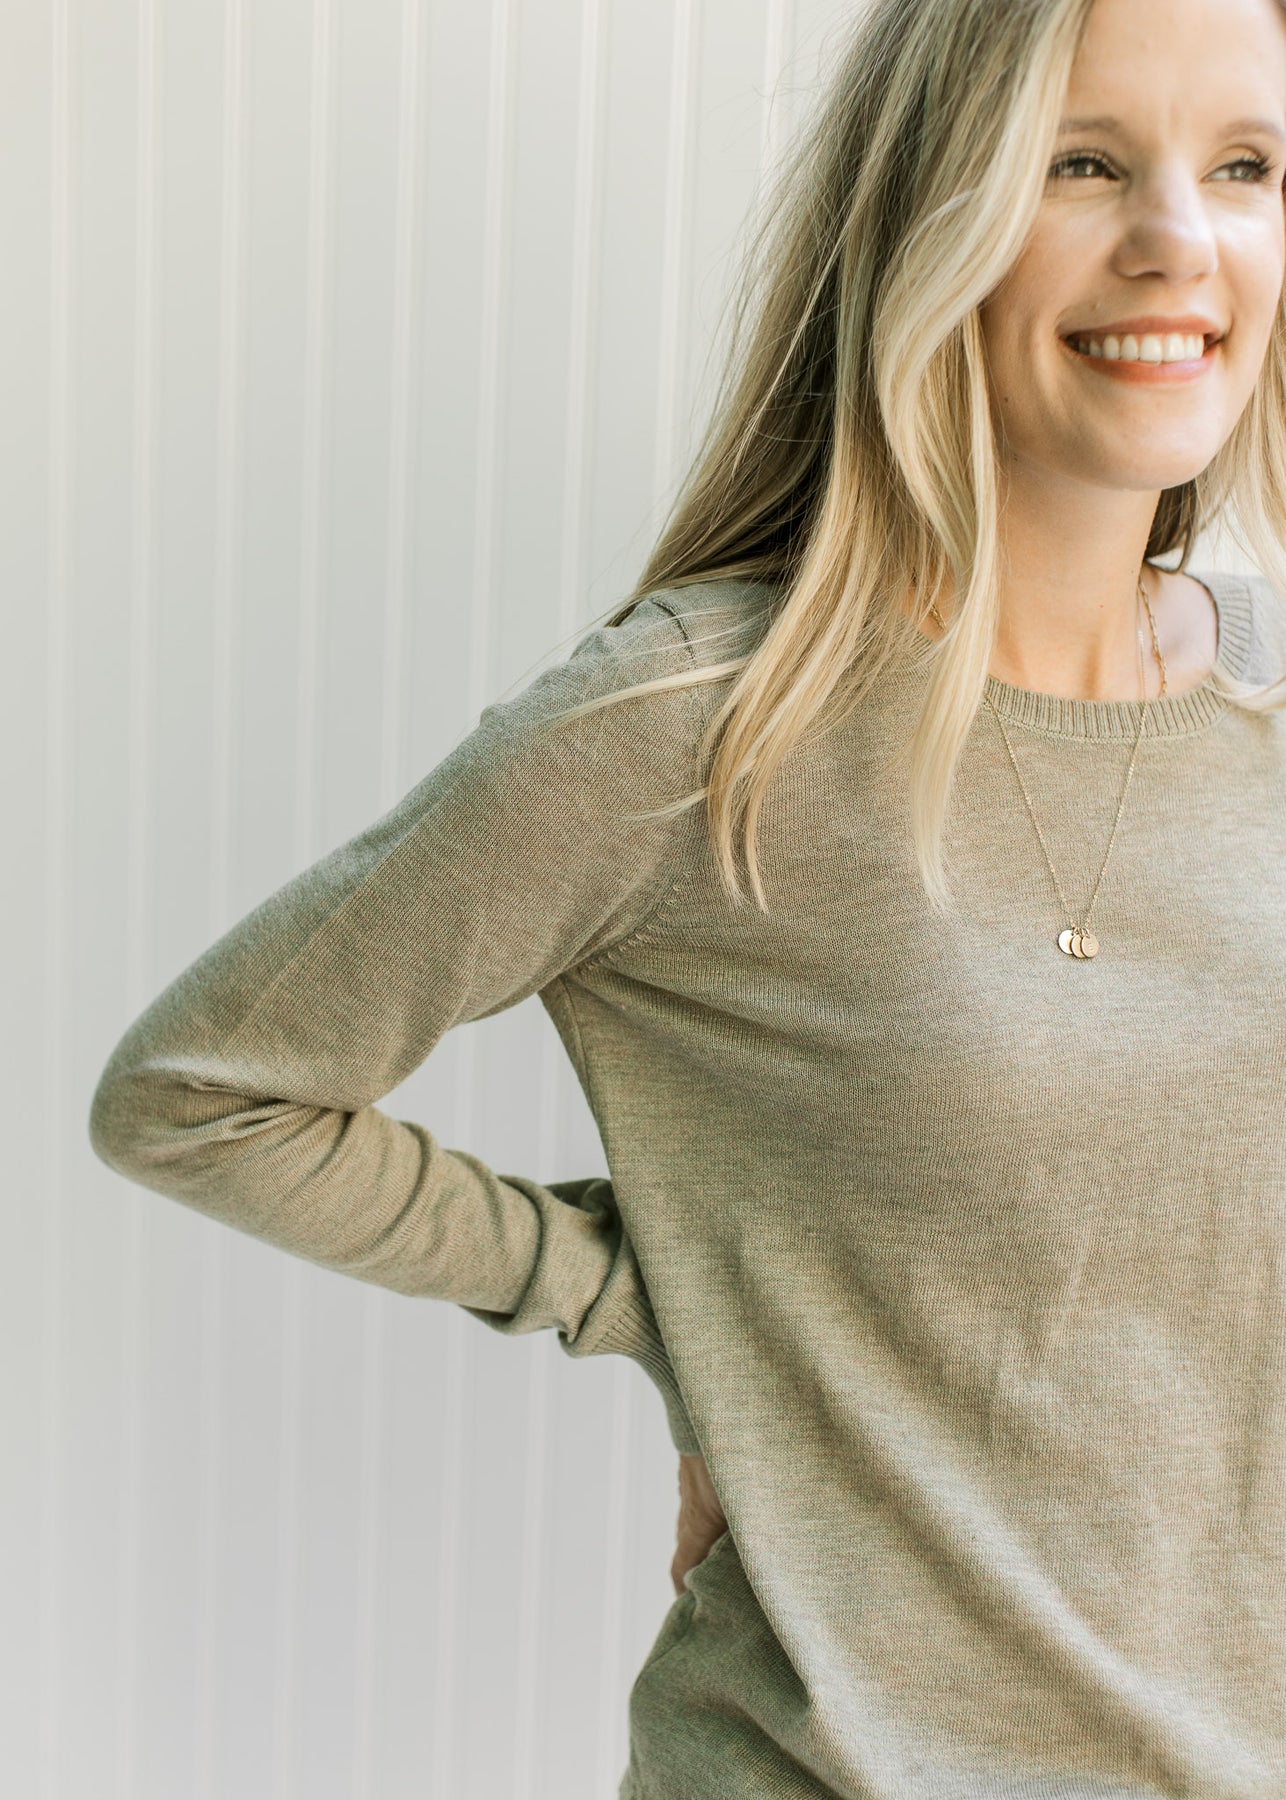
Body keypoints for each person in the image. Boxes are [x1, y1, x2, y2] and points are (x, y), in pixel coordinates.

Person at [87, 0, 1286, 1792]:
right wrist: (682, 1310)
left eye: (1245, 165)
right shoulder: (697, 722)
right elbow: (201, 1098)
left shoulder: (1266, 704)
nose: (1178, 240)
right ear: (930, 213)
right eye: (1080, 162)